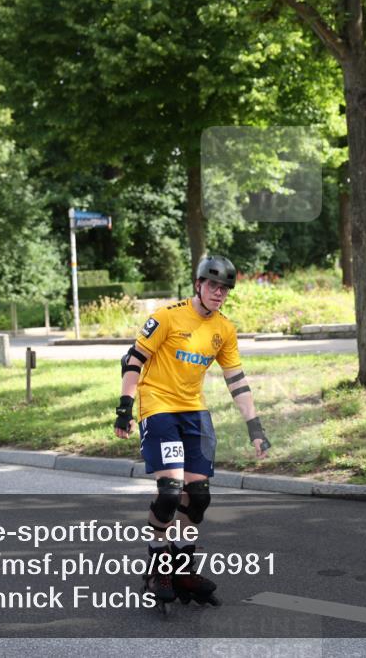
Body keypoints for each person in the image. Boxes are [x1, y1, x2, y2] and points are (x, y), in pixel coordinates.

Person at [113, 255, 270, 606]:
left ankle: (183, 569)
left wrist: (255, 427)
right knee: (170, 492)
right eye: (213, 285)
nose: (218, 293)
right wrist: (125, 407)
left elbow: (237, 381)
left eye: (225, 288)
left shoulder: (224, 329)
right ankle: (158, 565)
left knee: (198, 497)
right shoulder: (167, 317)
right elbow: (133, 359)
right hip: (159, 408)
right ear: (198, 285)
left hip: (194, 412)